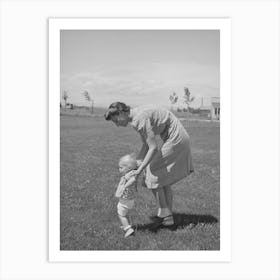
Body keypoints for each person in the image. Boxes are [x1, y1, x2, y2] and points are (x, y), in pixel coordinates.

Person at [105, 102, 194, 227]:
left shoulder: (139, 119)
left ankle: (164, 214)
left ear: (121, 113)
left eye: (116, 120)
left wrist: (139, 170)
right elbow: (146, 145)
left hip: (176, 138)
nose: (117, 125)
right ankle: (168, 219)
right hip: (177, 137)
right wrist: (135, 166)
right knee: (162, 180)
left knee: (151, 172)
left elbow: (153, 148)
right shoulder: (137, 117)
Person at [115, 154, 138, 238]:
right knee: (126, 212)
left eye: (121, 168)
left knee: (121, 214)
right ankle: (127, 224)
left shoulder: (130, 175)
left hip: (125, 199)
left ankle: (128, 229)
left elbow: (132, 180)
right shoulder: (133, 172)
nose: (119, 169)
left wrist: (125, 185)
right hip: (130, 199)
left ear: (128, 168)